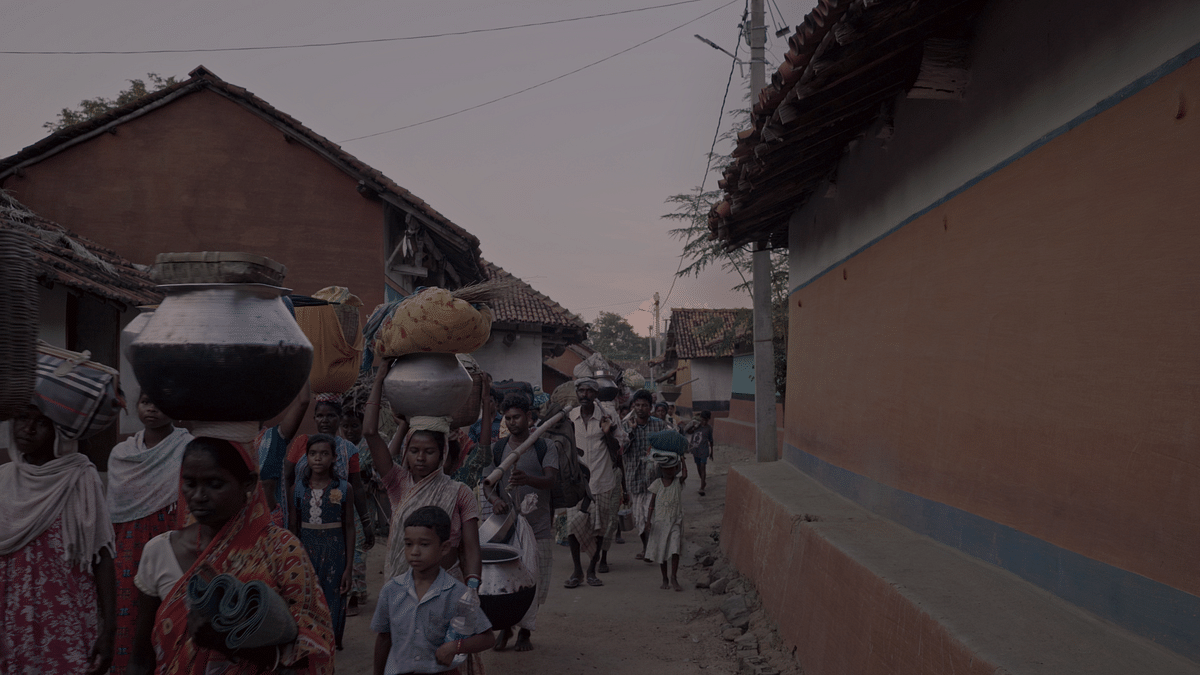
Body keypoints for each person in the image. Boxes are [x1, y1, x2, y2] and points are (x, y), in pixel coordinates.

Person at [128, 435, 334, 674]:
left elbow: (314, 650)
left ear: (248, 483)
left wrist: (226, 642)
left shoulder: (280, 551)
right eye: (190, 484)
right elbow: (141, 654)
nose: (198, 496)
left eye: (214, 484)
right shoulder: (159, 551)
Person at [362, 360, 487, 674]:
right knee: (395, 640)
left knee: (449, 655)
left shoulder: (459, 492)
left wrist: (472, 587)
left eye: (428, 451)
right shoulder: (398, 483)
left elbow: (470, 546)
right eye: (414, 451)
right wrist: (379, 378)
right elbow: (369, 432)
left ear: (442, 453)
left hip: (448, 589)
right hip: (404, 584)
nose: (420, 458)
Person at [0, 403, 117, 674]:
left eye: (41, 422)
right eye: (22, 417)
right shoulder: (4, 479)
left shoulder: (80, 478)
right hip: (10, 620)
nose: (27, 429)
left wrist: (110, 631)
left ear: (61, 431)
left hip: (64, 622)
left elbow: (103, 556)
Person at [107, 392, 193, 672]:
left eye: (160, 401)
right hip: (128, 547)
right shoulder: (121, 454)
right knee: (129, 620)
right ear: (136, 407)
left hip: (172, 542)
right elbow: (115, 511)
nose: (152, 407)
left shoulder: (187, 447)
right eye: (145, 401)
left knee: (174, 615)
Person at [372, 506, 493, 675]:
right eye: (408, 544)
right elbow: (384, 638)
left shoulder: (457, 593)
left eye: (424, 544)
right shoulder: (391, 590)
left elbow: (487, 638)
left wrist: (455, 646)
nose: (414, 552)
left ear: (444, 548)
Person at [481, 393, 558, 652]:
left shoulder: (544, 446)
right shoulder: (499, 449)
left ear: (529, 417)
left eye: (517, 417)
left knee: (536, 579)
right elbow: (487, 485)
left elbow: (551, 481)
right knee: (510, 582)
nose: (512, 422)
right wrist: (494, 502)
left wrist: (528, 479)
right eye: (508, 418)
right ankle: (507, 628)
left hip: (539, 527)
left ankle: (526, 631)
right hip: (508, 529)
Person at [283, 396, 375, 594]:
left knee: (338, 569)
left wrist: (366, 523)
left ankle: (348, 597)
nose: (325, 420)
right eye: (320, 416)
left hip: (338, 519)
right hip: (305, 517)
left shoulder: (348, 449)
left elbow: (356, 486)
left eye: (331, 415)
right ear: (315, 418)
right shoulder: (302, 442)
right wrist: (291, 510)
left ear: (339, 418)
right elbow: (288, 476)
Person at [290, 434, 355, 650]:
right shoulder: (298, 489)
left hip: (335, 552)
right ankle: (310, 638)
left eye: (324, 453)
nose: (318, 458)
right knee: (307, 596)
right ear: (306, 457)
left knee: (333, 595)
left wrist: (348, 567)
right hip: (306, 550)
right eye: (313, 454)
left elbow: (348, 527)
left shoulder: (344, 488)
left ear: (334, 458)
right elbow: (293, 527)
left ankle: (332, 641)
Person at [563, 378, 626, 586]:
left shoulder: (608, 416)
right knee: (573, 527)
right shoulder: (569, 416)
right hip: (576, 482)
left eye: (590, 391)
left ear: (596, 395)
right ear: (577, 393)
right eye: (581, 391)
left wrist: (607, 433)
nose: (585, 395)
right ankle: (577, 571)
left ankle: (591, 570)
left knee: (599, 529)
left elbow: (618, 450)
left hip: (601, 479)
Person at [621, 389, 670, 561]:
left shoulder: (659, 425)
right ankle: (646, 547)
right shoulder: (625, 425)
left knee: (653, 517)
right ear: (633, 406)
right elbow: (622, 450)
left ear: (650, 407)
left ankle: (652, 549)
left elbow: (668, 450)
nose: (640, 408)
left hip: (654, 479)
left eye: (644, 405)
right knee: (639, 519)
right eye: (637, 405)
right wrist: (632, 433)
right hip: (634, 479)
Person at [338, 403, 372, 615]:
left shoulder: (366, 447)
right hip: (341, 505)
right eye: (346, 426)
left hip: (362, 506)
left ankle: (353, 597)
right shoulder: (338, 447)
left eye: (354, 426)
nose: (350, 431)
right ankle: (354, 589)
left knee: (358, 551)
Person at [644, 431, 688, 592]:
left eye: (672, 469)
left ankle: (674, 577)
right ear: (661, 469)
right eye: (666, 469)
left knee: (675, 548)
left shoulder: (678, 482)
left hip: (675, 521)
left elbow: (685, 474)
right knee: (662, 551)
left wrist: (682, 459)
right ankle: (664, 578)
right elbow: (651, 504)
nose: (669, 472)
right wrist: (648, 521)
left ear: (675, 469)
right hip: (660, 522)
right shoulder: (657, 483)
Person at [685, 411, 714, 496]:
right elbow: (688, 432)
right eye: (702, 419)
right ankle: (703, 481)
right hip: (696, 449)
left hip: (704, 450)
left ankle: (702, 487)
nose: (704, 422)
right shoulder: (697, 426)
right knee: (698, 467)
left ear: (708, 420)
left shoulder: (709, 428)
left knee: (702, 467)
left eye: (706, 420)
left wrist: (712, 452)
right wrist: (693, 427)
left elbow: (711, 441)